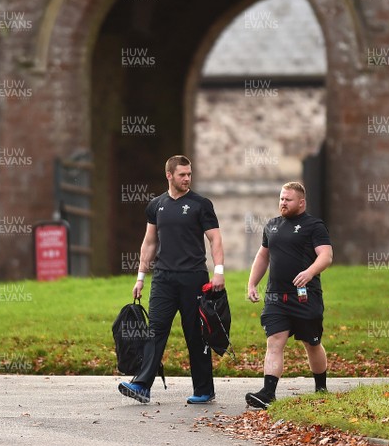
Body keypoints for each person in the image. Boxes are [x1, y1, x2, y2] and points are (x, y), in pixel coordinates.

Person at [118, 155, 225, 404]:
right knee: (154, 331)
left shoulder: (201, 204)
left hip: (194, 279)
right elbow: (149, 242)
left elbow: (215, 239)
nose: (187, 179)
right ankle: (141, 385)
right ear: (169, 175)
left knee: (195, 335)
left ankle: (204, 390)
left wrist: (218, 270)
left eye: (189, 174)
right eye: (182, 175)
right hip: (163, 280)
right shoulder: (156, 205)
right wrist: (140, 277)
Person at [245, 181, 333, 409]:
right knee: (274, 342)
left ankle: (321, 388)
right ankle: (267, 393)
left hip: (305, 297)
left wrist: (309, 272)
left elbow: (326, 256)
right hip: (276, 297)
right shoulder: (272, 225)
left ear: (301, 202)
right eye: (281, 199)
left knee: (311, 343)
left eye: (288, 200)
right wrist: (252, 283)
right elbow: (262, 256)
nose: (282, 203)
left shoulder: (314, 226)